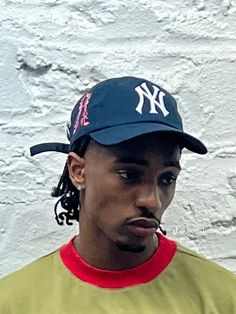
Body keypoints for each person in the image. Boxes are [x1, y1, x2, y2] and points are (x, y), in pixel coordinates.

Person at [0, 76, 235, 313]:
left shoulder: (224, 299)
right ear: (78, 171)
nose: (152, 200)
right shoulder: (14, 303)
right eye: (128, 174)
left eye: (167, 178)